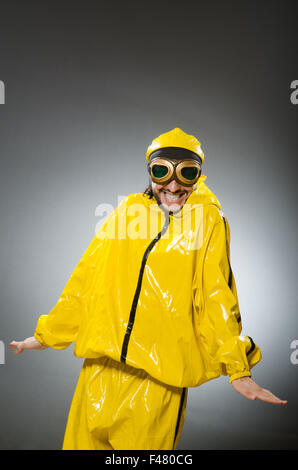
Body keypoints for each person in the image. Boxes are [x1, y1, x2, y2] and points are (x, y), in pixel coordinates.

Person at [10, 128, 287, 450]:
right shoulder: (129, 211)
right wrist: (48, 335)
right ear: (150, 171)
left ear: (198, 174)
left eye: (186, 173)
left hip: (159, 378)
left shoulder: (208, 219)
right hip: (99, 368)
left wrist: (238, 369)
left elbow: (216, 295)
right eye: (161, 171)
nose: (173, 185)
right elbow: (88, 276)